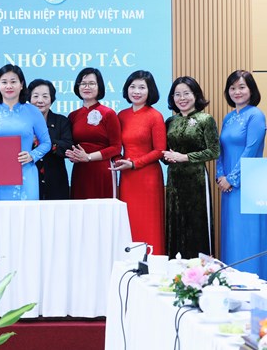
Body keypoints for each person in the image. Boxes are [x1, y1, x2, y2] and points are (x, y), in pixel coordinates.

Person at [216, 70, 267, 276]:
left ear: (251, 90)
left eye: (242, 87)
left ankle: (255, 282)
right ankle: (232, 281)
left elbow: (251, 150)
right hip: (227, 184)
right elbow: (220, 150)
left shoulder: (256, 115)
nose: (237, 92)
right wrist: (220, 175)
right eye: (232, 88)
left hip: (252, 179)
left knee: (250, 237)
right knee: (232, 234)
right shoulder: (228, 118)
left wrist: (232, 179)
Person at [163, 76, 220, 259]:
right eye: (177, 94)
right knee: (175, 225)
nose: (182, 98)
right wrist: (167, 157)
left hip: (196, 181)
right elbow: (165, 152)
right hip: (174, 181)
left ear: (195, 95)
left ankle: (199, 270)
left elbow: (214, 151)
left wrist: (185, 157)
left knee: (196, 226)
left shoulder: (205, 119)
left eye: (186, 93)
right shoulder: (170, 121)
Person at [0, 64, 51, 200]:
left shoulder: (33, 111)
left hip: (25, 175)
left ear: (21, 85)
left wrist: (32, 155)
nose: (9, 86)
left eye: (13, 82)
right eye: (4, 82)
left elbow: (46, 143)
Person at [111, 71, 167, 254]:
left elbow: (159, 150)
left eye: (142, 87)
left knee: (149, 223)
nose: (136, 91)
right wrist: (118, 161)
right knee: (128, 221)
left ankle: (152, 262)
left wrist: (135, 163)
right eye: (132, 86)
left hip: (148, 178)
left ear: (150, 91)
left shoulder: (155, 116)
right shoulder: (121, 115)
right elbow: (116, 146)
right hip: (127, 177)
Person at [66, 67, 121, 199]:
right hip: (80, 171)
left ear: (99, 87)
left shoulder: (108, 113)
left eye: (92, 83)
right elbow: (70, 144)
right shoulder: (73, 116)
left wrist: (89, 157)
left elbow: (116, 147)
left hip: (102, 170)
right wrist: (71, 155)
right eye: (83, 83)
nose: (87, 87)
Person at [27, 79, 73, 200]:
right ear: (29, 99)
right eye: (35, 96)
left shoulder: (61, 121)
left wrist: (44, 142)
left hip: (56, 183)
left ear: (51, 99)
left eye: (45, 96)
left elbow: (68, 147)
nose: (40, 100)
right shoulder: (22, 123)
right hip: (29, 182)